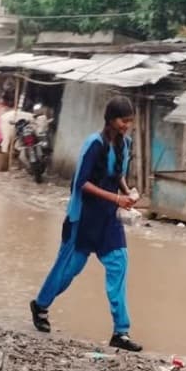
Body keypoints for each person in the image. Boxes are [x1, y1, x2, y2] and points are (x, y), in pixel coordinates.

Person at [30, 96, 143, 352]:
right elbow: (82, 182)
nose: (126, 125)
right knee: (67, 271)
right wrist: (117, 198)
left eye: (129, 121)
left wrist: (128, 194)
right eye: (122, 120)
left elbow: (118, 175)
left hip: (108, 220)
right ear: (110, 119)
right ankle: (40, 305)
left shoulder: (124, 145)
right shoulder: (94, 144)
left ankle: (121, 332)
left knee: (119, 264)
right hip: (83, 219)